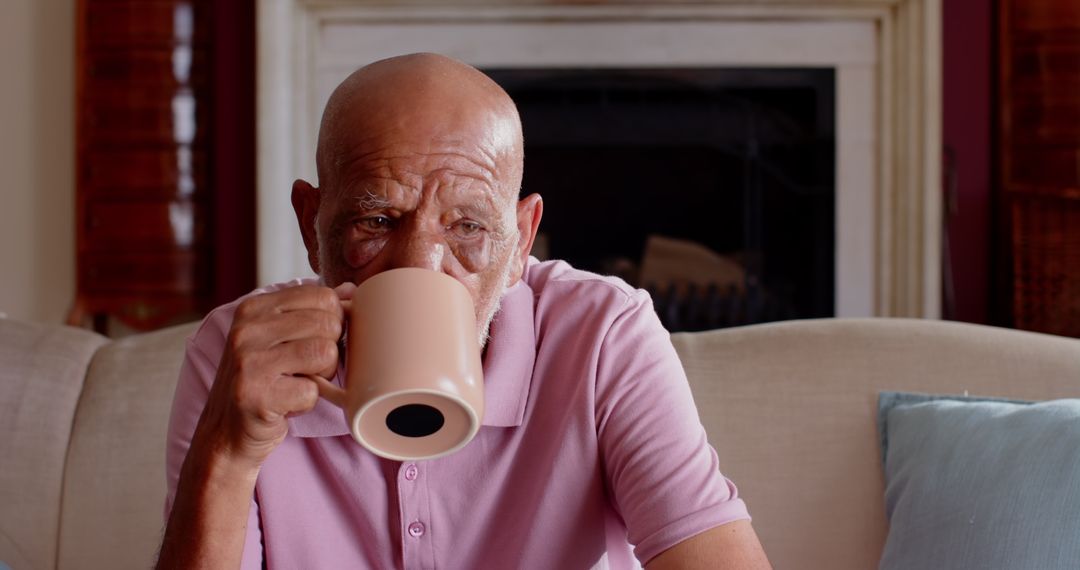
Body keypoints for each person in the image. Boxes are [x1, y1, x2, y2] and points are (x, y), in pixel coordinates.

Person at [157, 52, 771, 569]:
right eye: (376, 220)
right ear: (310, 222)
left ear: (521, 239)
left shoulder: (602, 335)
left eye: (468, 225)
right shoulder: (240, 355)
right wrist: (230, 453)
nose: (420, 266)